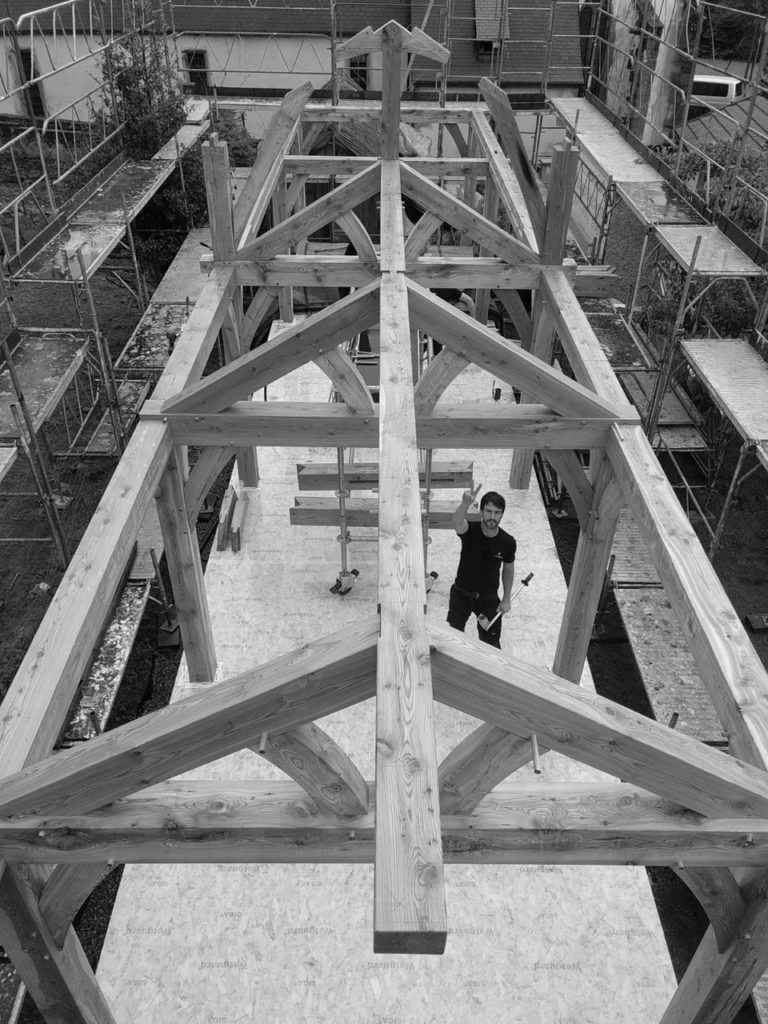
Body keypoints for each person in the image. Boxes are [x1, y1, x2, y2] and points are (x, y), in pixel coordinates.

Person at [447, 483, 516, 649]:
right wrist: (465, 503)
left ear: (501, 515)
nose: (492, 516)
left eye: (497, 513)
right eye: (489, 511)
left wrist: (506, 598)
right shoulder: (470, 531)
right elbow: (456, 522)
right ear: (481, 512)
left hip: (488, 598)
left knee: (491, 644)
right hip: (461, 593)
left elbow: (508, 568)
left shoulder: (507, 542)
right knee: (452, 638)